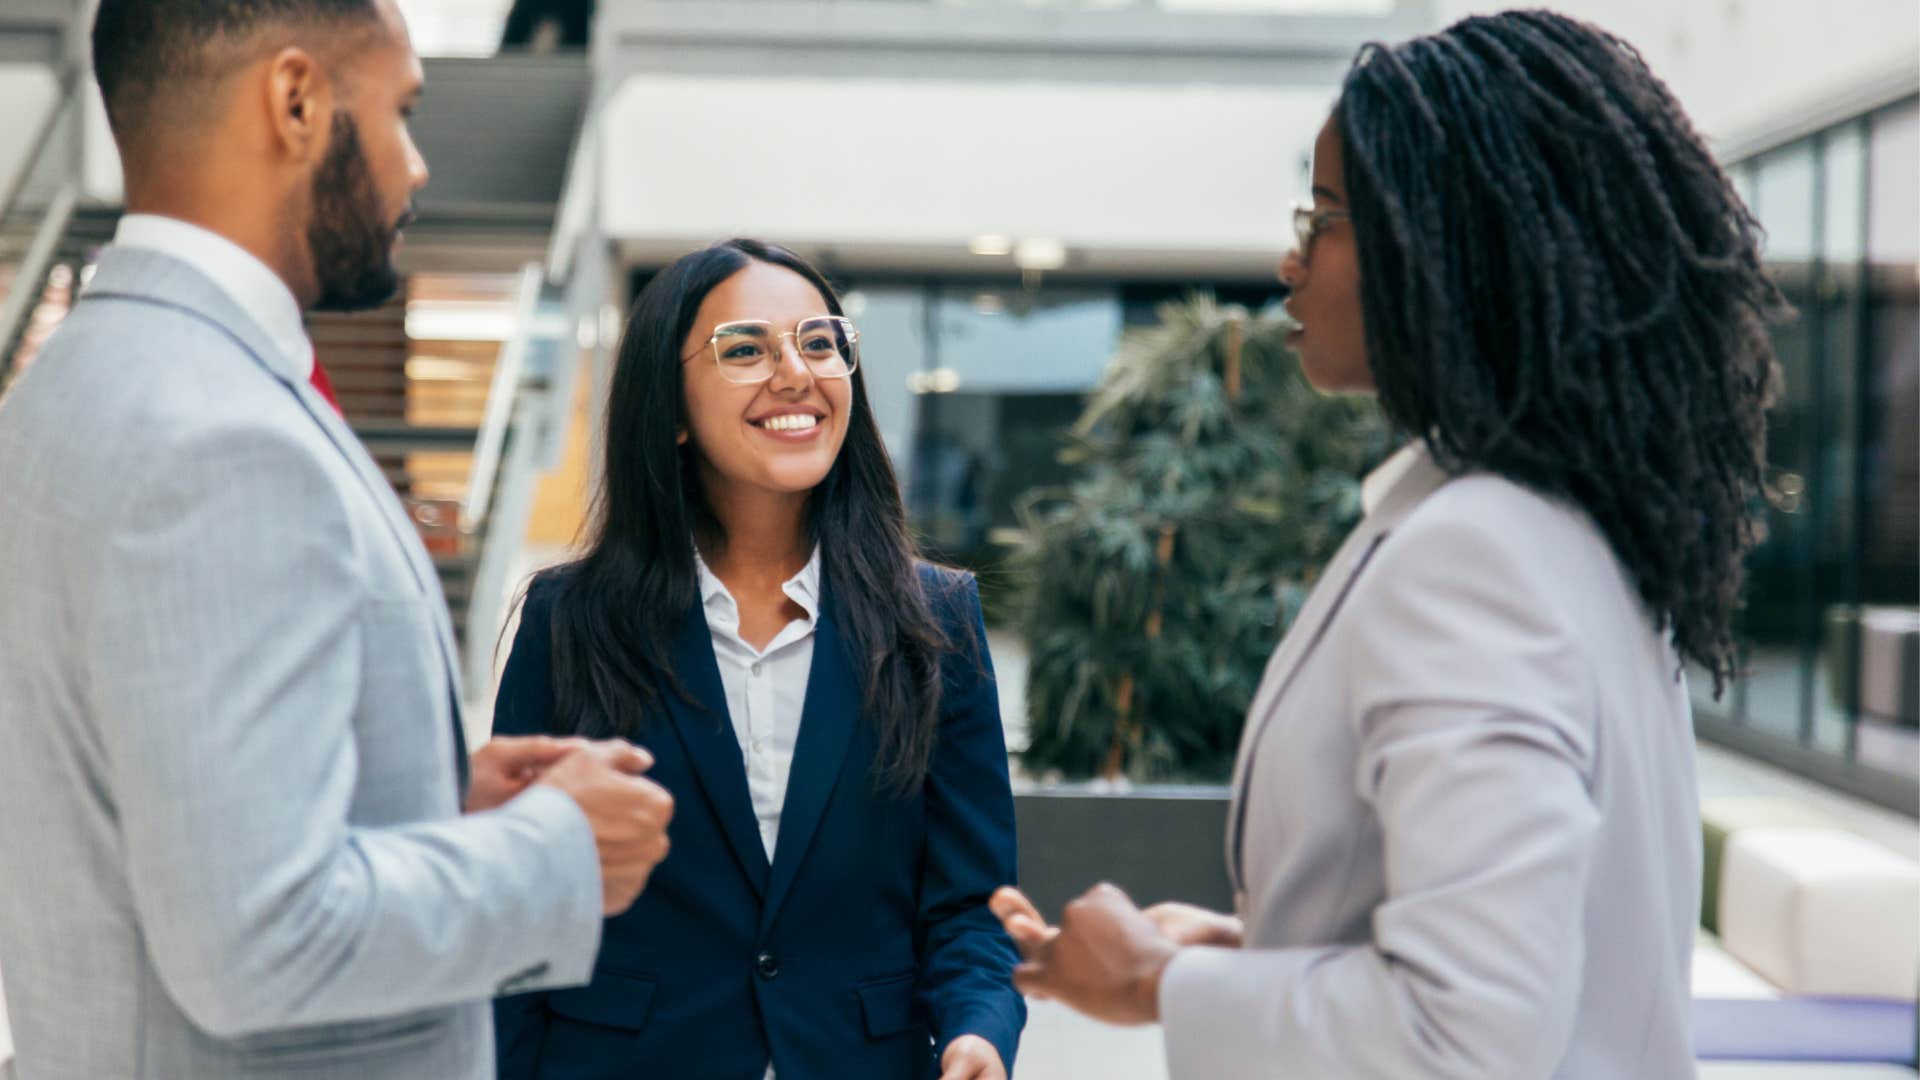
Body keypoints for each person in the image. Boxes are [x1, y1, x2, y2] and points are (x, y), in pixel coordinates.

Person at [992, 10, 1781, 1079]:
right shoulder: (1574, 532)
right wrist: (1245, 956)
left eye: (1324, 218)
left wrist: (1153, 983)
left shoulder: (1479, 557)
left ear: (1441, 247)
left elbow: (1467, 1034)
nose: (1288, 258)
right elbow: (1539, 960)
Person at [0, 2, 676, 1077]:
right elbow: (257, 941)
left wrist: (423, 797)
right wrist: (556, 853)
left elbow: (150, 790)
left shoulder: (73, 384)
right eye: (403, 112)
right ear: (297, 99)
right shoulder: (215, 435)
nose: (416, 167)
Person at [490, 239, 1024, 1080]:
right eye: (746, 348)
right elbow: (519, 912)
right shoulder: (570, 620)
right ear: (669, 407)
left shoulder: (936, 620)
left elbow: (969, 906)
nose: (795, 373)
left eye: (819, 341)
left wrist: (976, 1032)